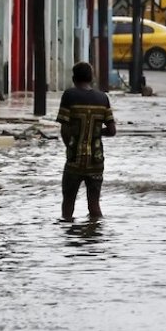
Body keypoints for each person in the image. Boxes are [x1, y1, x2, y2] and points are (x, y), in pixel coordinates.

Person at [56, 61, 117, 221]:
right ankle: (95, 236)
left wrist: (71, 147)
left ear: (74, 78)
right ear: (91, 78)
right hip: (96, 160)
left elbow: (65, 129)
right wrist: (95, 132)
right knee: (94, 205)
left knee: (68, 205)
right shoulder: (103, 98)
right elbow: (112, 131)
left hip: (75, 159)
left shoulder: (69, 95)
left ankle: (68, 236)